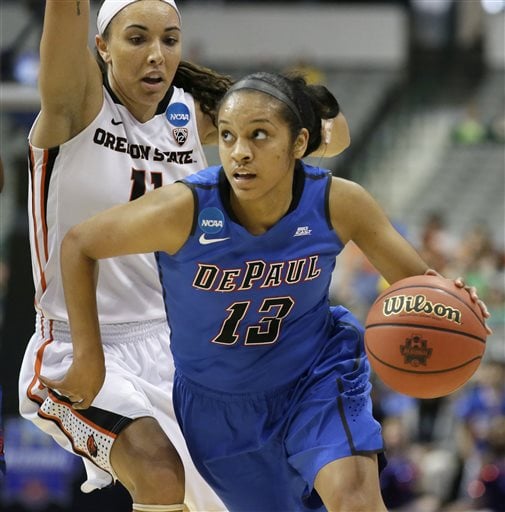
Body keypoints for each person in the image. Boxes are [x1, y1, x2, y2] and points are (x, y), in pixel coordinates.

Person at [39, 71, 488, 511]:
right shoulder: (184, 209)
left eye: (259, 136)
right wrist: (90, 358)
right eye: (229, 137)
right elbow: (80, 244)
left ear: (298, 144)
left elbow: (419, 286)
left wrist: (453, 301)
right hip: (218, 409)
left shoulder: (338, 202)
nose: (240, 153)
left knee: (355, 500)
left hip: (316, 378)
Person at [18, 3, 350, 511]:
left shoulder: (192, 117)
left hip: (181, 352)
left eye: (169, 40)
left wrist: (300, 112)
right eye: (136, 39)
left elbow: (336, 135)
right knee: (156, 469)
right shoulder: (75, 106)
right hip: (74, 344)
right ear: (102, 46)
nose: (156, 55)